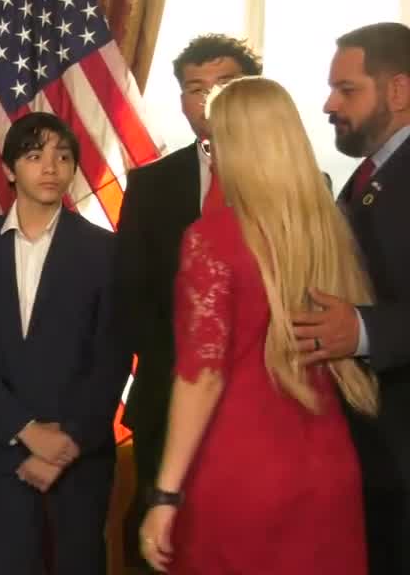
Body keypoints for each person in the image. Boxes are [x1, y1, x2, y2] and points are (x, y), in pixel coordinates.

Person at [139, 77, 374, 574]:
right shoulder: (328, 230)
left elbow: (202, 376)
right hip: (329, 468)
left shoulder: (212, 237)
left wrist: (165, 494)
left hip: (237, 468)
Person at [113, 34, 262, 551]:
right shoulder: (150, 185)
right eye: (197, 88)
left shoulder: (295, 182)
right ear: (182, 101)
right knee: (168, 546)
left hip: (262, 404)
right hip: (166, 395)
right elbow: (131, 296)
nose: (211, 99)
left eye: (225, 84)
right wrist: (188, 365)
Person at [0, 112, 128, 574]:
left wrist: (66, 444)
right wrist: (25, 431)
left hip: (81, 456)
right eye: (34, 156)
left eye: (63, 157)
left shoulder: (104, 250)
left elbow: (114, 354)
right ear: (8, 169)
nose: (50, 167)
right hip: (6, 451)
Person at [296, 22, 410, 573]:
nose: (327, 104)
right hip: (374, 454)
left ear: (398, 91)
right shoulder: (364, 178)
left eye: (347, 89)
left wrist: (363, 332)